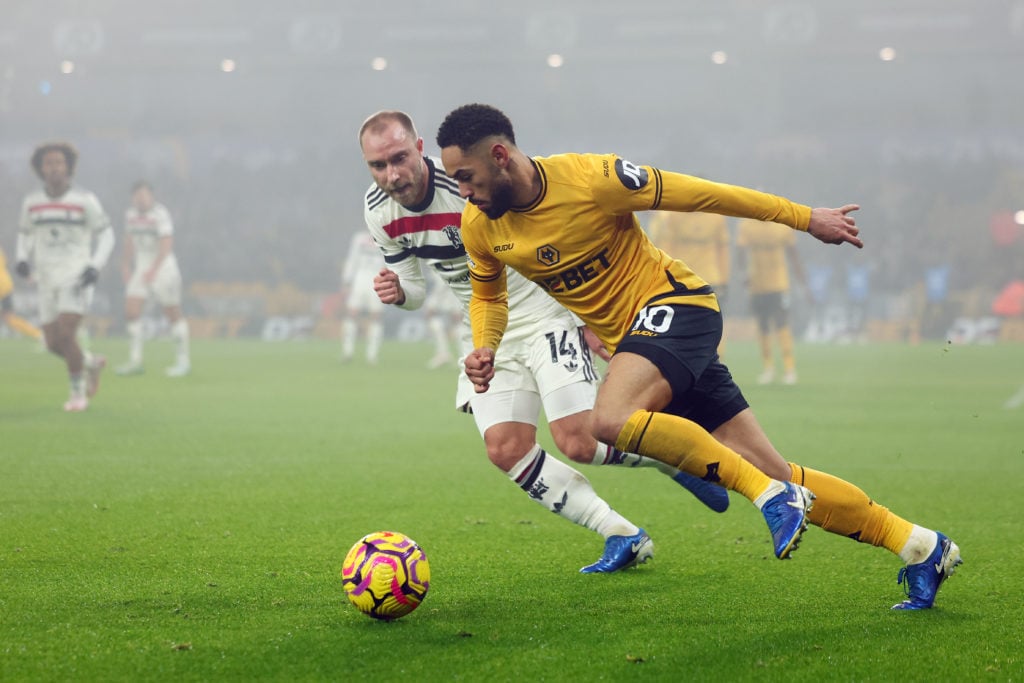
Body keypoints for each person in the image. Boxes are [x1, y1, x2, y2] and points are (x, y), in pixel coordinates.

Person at [436, 103, 960, 609]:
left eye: (467, 177)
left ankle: (770, 498)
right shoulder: (481, 226)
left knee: (610, 419)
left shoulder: (593, 178)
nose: (463, 192)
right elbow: (487, 297)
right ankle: (920, 546)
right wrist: (485, 345)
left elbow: (705, 196)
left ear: (500, 156)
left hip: (677, 305)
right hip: (641, 343)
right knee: (775, 469)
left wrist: (804, 218)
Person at [359, 110, 729, 574]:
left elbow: (556, 235)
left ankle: (679, 459)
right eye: (378, 165)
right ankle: (622, 533)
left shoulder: (466, 181)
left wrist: (588, 316)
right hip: (487, 332)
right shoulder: (378, 211)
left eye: (398, 158)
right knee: (505, 449)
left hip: (544, 311)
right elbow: (414, 289)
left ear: (418, 150)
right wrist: (399, 294)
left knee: (578, 439)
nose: (391, 174)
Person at [16, 141, 114, 412]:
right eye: (48, 163)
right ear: (40, 168)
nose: (54, 168)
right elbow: (24, 233)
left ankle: (77, 395)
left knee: (67, 333)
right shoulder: (32, 202)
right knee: (51, 343)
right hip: (46, 277)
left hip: (76, 275)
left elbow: (107, 234)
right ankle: (91, 363)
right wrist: (22, 258)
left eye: (59, 162)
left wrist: (95, 266)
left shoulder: (85, 200)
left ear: (69, 166)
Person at [115, 181, 191, 377]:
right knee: (131, 311)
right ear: (133, 198)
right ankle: (135, 361)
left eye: (145, 195)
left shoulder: (160, 214)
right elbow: (129, 240)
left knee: (172, 312)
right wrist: (125, 264)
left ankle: (183, 361)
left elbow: (166, 243)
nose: (142, 199)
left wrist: (154, 270)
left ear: (152, 197)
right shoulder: (130, 215)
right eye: (138, 195)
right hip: (142, 266)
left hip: (164, 267)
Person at [646, 210, 730, 354]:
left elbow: (722, 249)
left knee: (712, 325)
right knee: (681, 326)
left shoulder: (716, 217)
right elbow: (667, 247)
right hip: (684, 280)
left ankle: (714, 364)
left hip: (707, 279)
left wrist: (724, 279)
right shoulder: (674, 216)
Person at [735, 218, 807, 385]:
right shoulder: (747, 224)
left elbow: (793, 253)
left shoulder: (782, 224)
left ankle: (789, 368)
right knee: (763, 324)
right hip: (757, 284)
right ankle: (768, 368)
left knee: (781, 322)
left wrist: (802, 281)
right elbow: (740, 250)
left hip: (779, 283)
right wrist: (743, 274)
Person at [339, 231, 385, 364]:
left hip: (378, 278)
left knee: (376, 316)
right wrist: (347, 281)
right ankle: (347, 353)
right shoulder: (359, 238)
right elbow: (352, 259)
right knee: (352, 313)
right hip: (360, 278)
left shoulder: (387, 237)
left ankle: (372, 356)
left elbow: (390, 262)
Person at [0, 245, 42, 341]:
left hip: (2, 287)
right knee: (9, 318)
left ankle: (38, 334)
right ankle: (37, 334)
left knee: (9, 317)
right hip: (5, 285)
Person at [422, 271, 461, 369]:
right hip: (447, 292)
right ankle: (443, 354)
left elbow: (442, 283)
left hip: (453, 294)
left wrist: (433, 302)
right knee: (436, 323)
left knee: (459, 324)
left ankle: (464, 356)